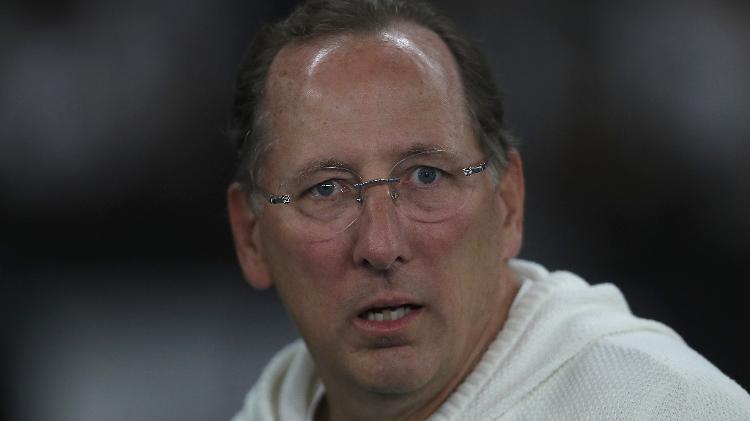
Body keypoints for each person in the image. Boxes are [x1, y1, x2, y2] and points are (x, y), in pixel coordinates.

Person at [225, 0, 750, 420]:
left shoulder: (659, 405)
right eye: (326, 189)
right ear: (251, 238)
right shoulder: (271, 407)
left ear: (508, 206)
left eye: (425, 176)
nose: (381, 246)